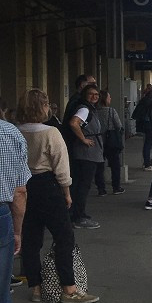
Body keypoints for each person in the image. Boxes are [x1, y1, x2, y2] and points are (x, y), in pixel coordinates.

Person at [13, 90, 98, 303]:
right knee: (64, 237)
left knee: (31, 239)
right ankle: (69, 288)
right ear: (43, 107)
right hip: (48, 186)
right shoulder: (51, 132)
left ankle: (36, 288)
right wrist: (67, 192)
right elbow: (61, 165)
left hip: (23, 185)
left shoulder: (16, 131)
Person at [0, 117, 31, 303]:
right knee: (0, 296)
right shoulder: (9, 133)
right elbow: (19, 191)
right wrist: (18, 231)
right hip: (0, 215)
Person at [67, 83, 104, 229]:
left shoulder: (88, 108)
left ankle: (77, 213)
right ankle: (79, 216)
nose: (94, 97)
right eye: (91, 94)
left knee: (80, 184)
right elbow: (74, 123)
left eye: (96, 94)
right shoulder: (84, 109)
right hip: (86, 153)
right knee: (83, 185)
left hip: (86, 152)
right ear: (85, 95)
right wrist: (83, 139)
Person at [94, 89, 125, 196]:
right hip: (111, 142)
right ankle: (116, 187)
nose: (110, 98)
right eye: (109, 97)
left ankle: (101, 189)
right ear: (106, 99)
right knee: (115, 166)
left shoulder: (94, 111)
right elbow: (119, 126)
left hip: (98, 142)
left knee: (99, 167)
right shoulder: (111, 111)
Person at [131, 83, 152, 170]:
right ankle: (147, 163)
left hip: (145, 124)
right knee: (149, 143)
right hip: (149, 124)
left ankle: (147, 162)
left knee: (148, 143)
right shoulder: (151, 102)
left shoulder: (145, 100)